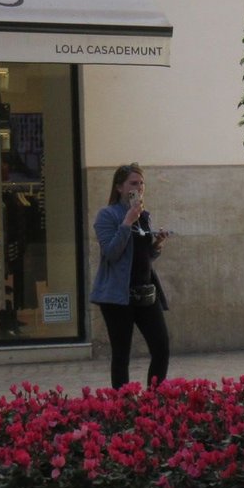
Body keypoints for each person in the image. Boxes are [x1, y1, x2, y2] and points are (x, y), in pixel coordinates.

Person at [89, 163, 172, 387]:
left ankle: (154, 400)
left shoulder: (144, 216)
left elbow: (144, 256)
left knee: (161, 346)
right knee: (121, 354)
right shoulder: (107, 215)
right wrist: (127, 221)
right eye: (133, 183)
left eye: (141, 183)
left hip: (145, 292)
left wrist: (157, 243)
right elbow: (111, 253)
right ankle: (122, 405)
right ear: (119, 187)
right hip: (118, 296)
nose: (139, 188)